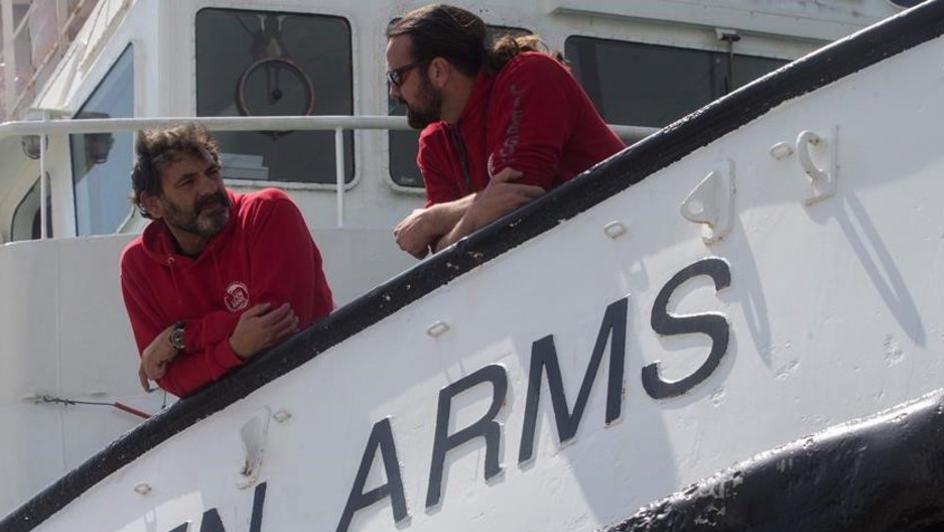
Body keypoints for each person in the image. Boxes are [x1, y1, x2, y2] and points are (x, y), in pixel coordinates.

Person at [386, 4, 626, 258]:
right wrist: (473, 215)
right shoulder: (434, 142)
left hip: (622, 242)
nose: (393, 92)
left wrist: (436, 218)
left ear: (438, 71)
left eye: (396, 77)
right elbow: (443, 255)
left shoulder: (530, 74)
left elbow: (518, 197)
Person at [120, 123, 334, 397]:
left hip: (318, 390)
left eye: (212, 172)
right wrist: (234, 348)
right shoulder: (138, 265)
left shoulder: (268, 211)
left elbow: (277, 325)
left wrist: (180, 337)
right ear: (153, 204)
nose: (209, 188)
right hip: (234, 426)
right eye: (187, 182)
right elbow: (172, 379)